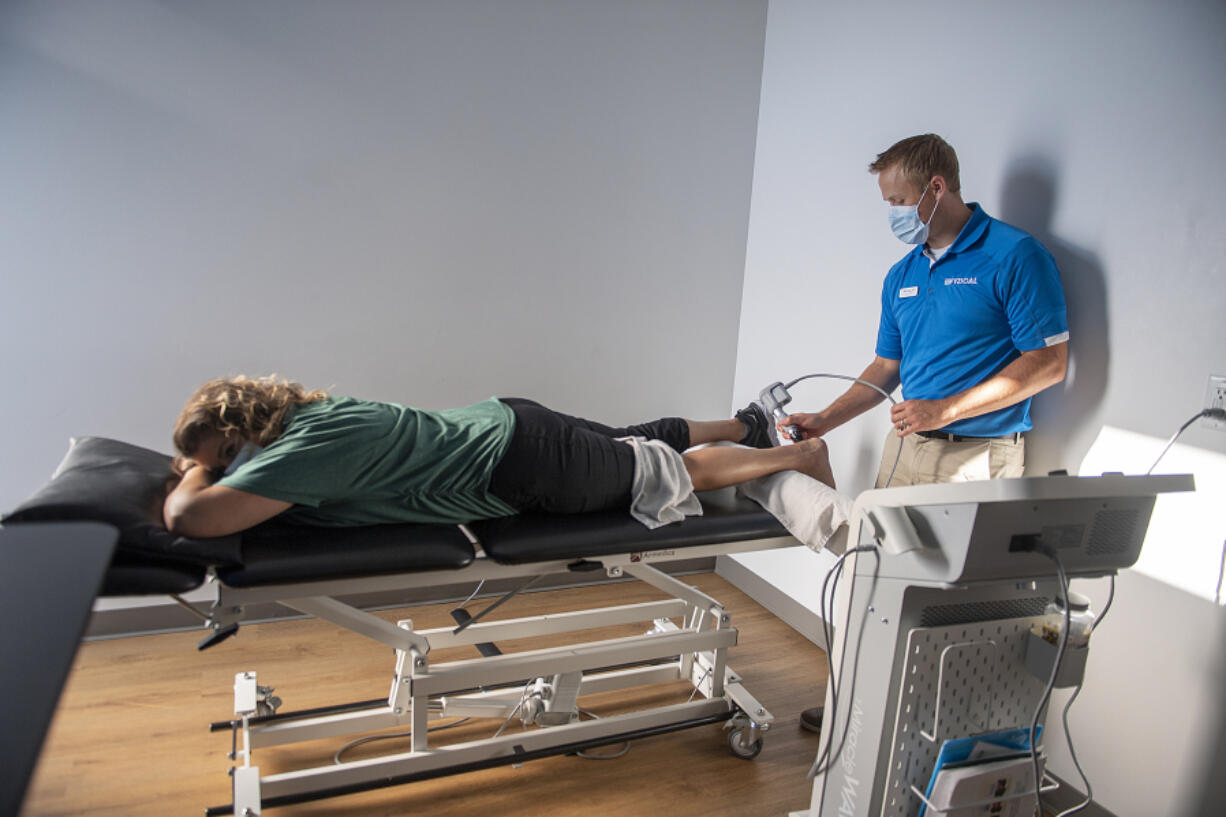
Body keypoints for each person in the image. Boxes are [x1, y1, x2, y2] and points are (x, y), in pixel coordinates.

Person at [755, 134, 1069, 733]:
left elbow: (1048, 363)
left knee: (952, 602)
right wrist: (824, 419)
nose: (893, 214)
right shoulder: (901, 273)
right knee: (872, 581)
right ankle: (856, 711)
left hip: (978, 458)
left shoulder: (1014, 256)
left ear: (936, 187)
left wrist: (944, 410)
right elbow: (885, 369)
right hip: (907, 452)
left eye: (899, 199)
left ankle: (930, 728)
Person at [163, 375, 836, 538]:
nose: (228, 466)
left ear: (241, 427)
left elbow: (191, 518)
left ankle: (796, 458)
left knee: (670, 470)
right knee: (633, 437)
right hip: (509, 422)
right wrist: (208, 457)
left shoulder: (299, 452)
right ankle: (749, 426)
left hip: (521, 463)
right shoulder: (309, 411)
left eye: (225, 454)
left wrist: (198, 472)